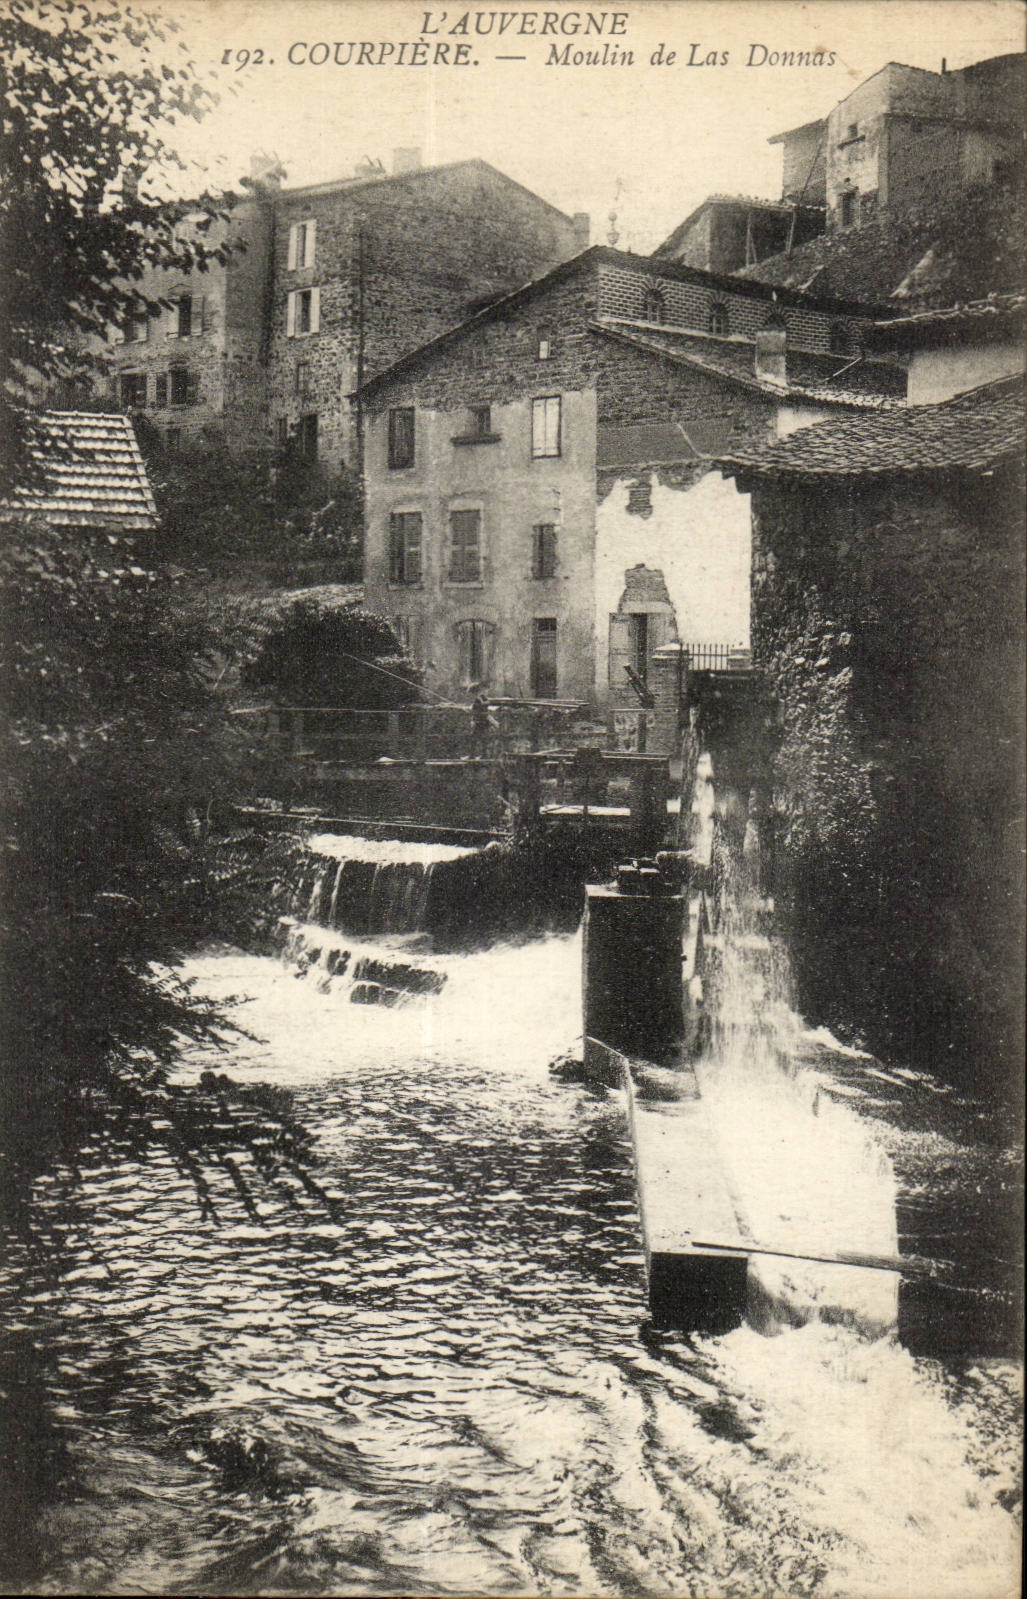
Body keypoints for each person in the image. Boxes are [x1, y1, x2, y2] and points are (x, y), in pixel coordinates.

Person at [470, 689, 491, 758]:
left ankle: (483, 754)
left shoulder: (482, 697)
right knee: (474, 738)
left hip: (483, 721)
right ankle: (472, 755)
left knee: (482, 738)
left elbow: (487, 703)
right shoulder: (476, 700)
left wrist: (480, 700)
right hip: (478, 721)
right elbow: (474, 710)